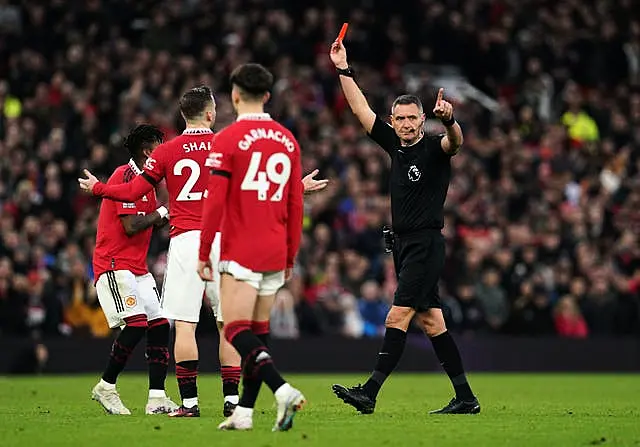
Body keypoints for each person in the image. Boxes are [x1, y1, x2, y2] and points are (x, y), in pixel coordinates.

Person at [79, 87, 328, 417]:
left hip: (185, 242)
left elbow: (134, 189)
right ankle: (231, 400)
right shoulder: (227, 144)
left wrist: (98, 188)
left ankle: (190, 404)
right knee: (227, 323)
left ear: (183, 116)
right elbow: (257, 188)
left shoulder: (167, 151)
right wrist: (298, 187)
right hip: (224, 242)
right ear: (211, 114)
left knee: (184, 324)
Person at [328, 39, 481, 414]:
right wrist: (343, 69)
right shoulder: (394, 145)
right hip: (403, 245)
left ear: (421, 119)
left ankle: (370, 392)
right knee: (431, 322)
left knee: (397, 315)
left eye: (414, 117)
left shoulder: (433, 147)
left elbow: (455, 143)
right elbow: (361, 110)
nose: (408, 124)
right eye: (401, 118)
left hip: (426, 244)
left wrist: (449, 120)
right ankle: (465, 397)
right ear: (393, 121)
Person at [197, 63, 306, 431]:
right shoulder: (288, 140)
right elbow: (295, 204)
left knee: (235, 331)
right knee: (258, 334)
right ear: (268, 96)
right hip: (276, 248)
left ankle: (282, 389)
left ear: (234, 94)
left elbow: (214, 202)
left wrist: (203, 252)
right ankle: (244, 412)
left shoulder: (226, 140)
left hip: (242, 248)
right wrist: (290, 253)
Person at [90, 124, 178, 415]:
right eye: (159, 147)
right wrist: (163, 212)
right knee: (137, 324)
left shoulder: (147, 183)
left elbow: (148, 220)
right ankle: (106, 386)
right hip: (115, 263)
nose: (163, 153)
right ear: (147, 150)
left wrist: (167, 215)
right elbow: (130, 226)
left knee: (159, 325)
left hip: (137, 267)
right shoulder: (124, 176)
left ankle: (156, 398)